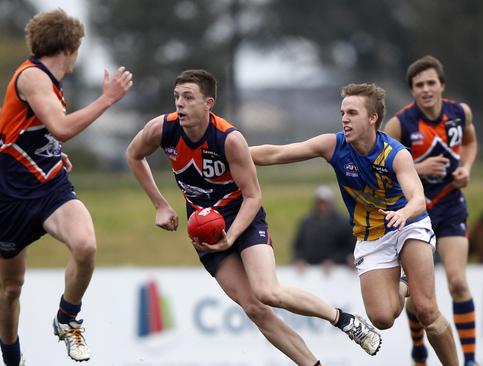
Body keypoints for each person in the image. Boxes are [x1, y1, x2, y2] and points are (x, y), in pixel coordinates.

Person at [126, 69, 381, 366]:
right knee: (254, 308)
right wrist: (160, 204)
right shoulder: (162, 129)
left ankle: (345, 321)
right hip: (205, 232)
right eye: (177, 97)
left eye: (188, 98)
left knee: (267, 292)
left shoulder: (228, 139)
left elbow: (253, 196)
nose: (179, 104)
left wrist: (231, 236)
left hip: (243, 219)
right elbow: (133, 154)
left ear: (208, 103)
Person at [251, 83, 459, 365]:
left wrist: (403, 213)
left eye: (352, 113)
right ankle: (402, 285)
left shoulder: (396, 154)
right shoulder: (333, 145)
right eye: (342, 113)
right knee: (382, 318)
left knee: (425, 309)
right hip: (371, 236)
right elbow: (277, 153)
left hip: (408, 225)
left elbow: (418, 200)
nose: (344, 119)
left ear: (372, 117)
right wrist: (230, 150)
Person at [0, 9, 133, 365]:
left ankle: (67, 317)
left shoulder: (52, 85)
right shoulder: (32, 77)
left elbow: (43, 133)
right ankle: (11, 357)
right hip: (11, 194)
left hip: (49, 186)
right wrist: (107, 98)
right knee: (11, 288)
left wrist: (55, 153)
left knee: (85, 245)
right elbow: (60, 126)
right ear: (70, 48)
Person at [382, 55, 479, 366]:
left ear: (442, 85)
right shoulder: (399, 123)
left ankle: (471, 359)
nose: (426, 89)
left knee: (458, 281)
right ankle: (419, 347)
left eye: (430, 83)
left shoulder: (459, 113)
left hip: (450, 205)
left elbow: (471, 142)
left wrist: (465, 167)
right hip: (414, 211)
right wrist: (417, 168)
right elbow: (380, 166)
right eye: (419, 85)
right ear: (412, 90)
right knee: (417, 289)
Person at [293, 185, 356, 274]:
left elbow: (349, 248)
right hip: (310, 271)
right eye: (320, 203)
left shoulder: (343, 223)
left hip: (337, 272)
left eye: (325, 203)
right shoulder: (306, 223)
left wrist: (334, 260)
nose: (322, 207)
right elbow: (298, 246)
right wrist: (300, 259)